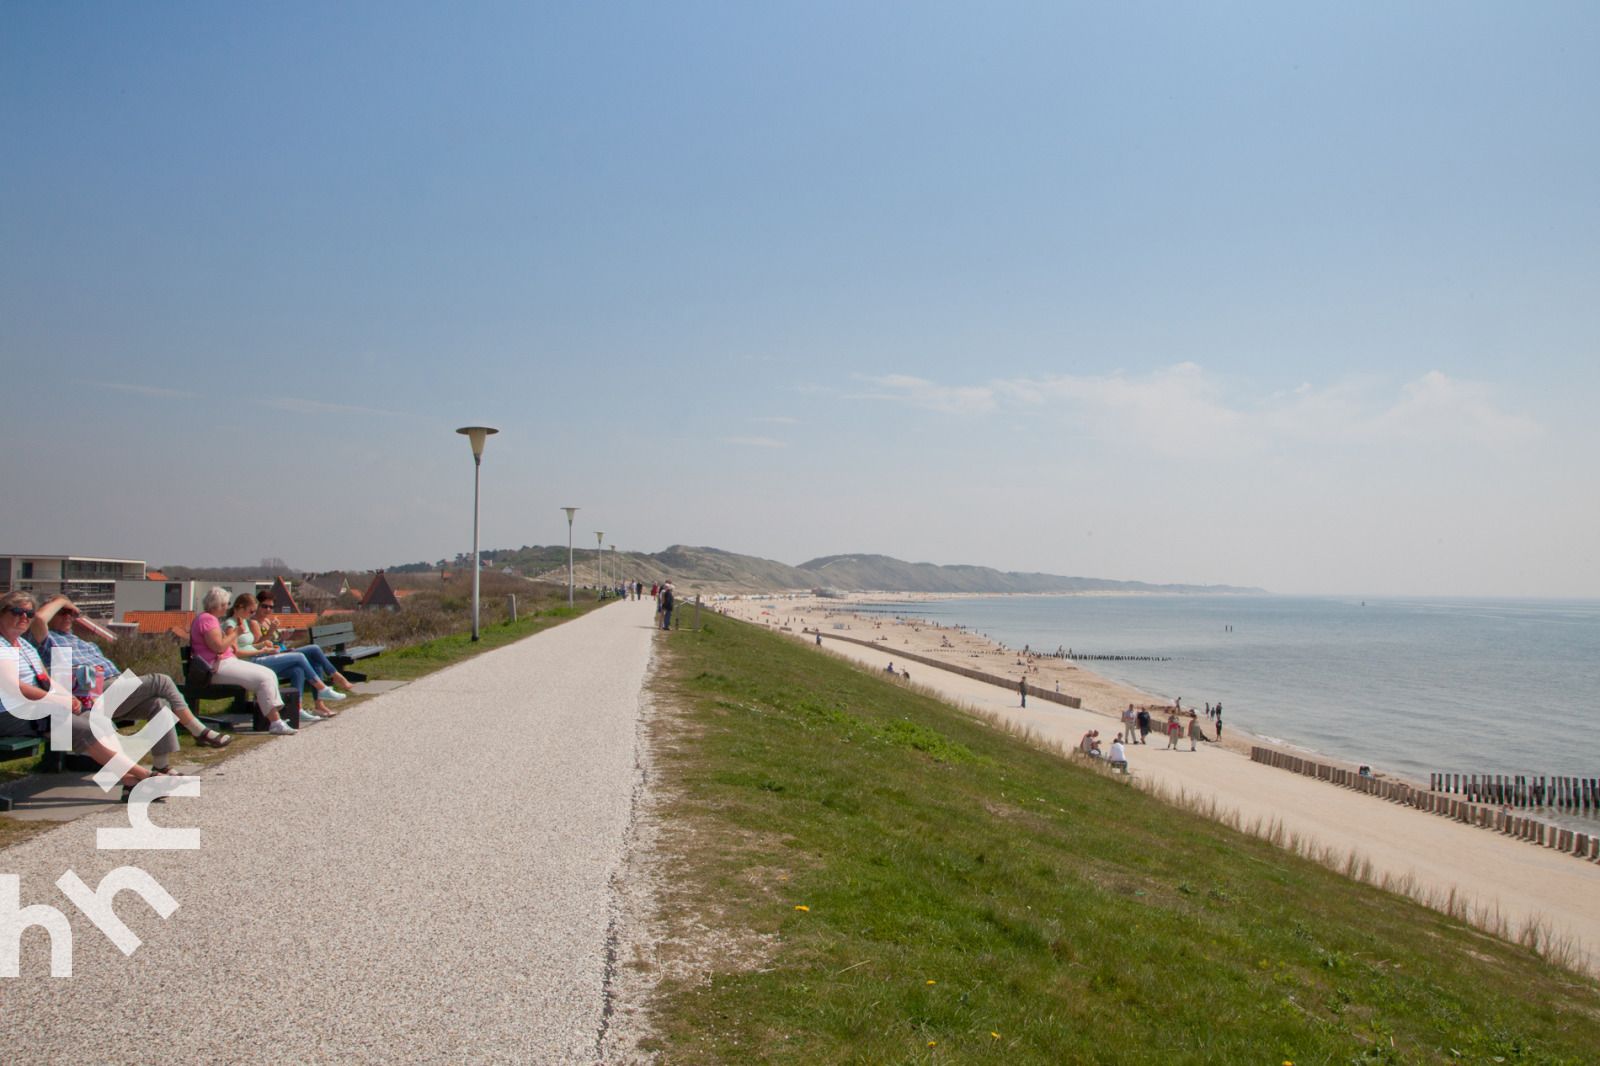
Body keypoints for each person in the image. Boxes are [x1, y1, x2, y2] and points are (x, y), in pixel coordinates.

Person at [0, 591, 171, 800]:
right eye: (17, 612)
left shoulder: (23, 645)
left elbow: (44, 678)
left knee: (95, 720)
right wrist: (55, 700)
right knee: (85, 729)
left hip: (35, 708)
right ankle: (145, 775)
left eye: (28, 613)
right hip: (12, 712)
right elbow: (13, 687)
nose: (24, 617)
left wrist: (66, 696)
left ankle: (129, 780)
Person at [30, 595, 232, 755]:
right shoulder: (49, 641)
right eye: (62, 612)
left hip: (115, 688)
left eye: (71, 613)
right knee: (161, 680)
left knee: (159, 705)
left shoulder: (82, 641)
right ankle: (198, 731)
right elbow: (38, 618)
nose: (68, 617)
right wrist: (64, 600)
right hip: (92, 693)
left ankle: (162, 767)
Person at [190, 587, 296, 735]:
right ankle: (275, 722)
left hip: (223, 663)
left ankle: (276, 720)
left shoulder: (208, 619)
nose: (227, 607)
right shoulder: (207, 620)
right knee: (263, 678)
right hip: (215, 668)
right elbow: (219, 647)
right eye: (225, 604)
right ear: (218, 605)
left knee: (269, 673)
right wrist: (236, 633)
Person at [224, 594, 342, 719]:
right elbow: (236, 652)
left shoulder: (242, 622)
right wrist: (261, 650)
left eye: (253, 611)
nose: (252, 614)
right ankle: (322, 688)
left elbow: (249, 645)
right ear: (241, 607)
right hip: (251, 662)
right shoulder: (231, 625)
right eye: (251, 611)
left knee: (298, 670)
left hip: (258, 657)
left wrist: (264, 645)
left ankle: (297, 709)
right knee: (300, 656)